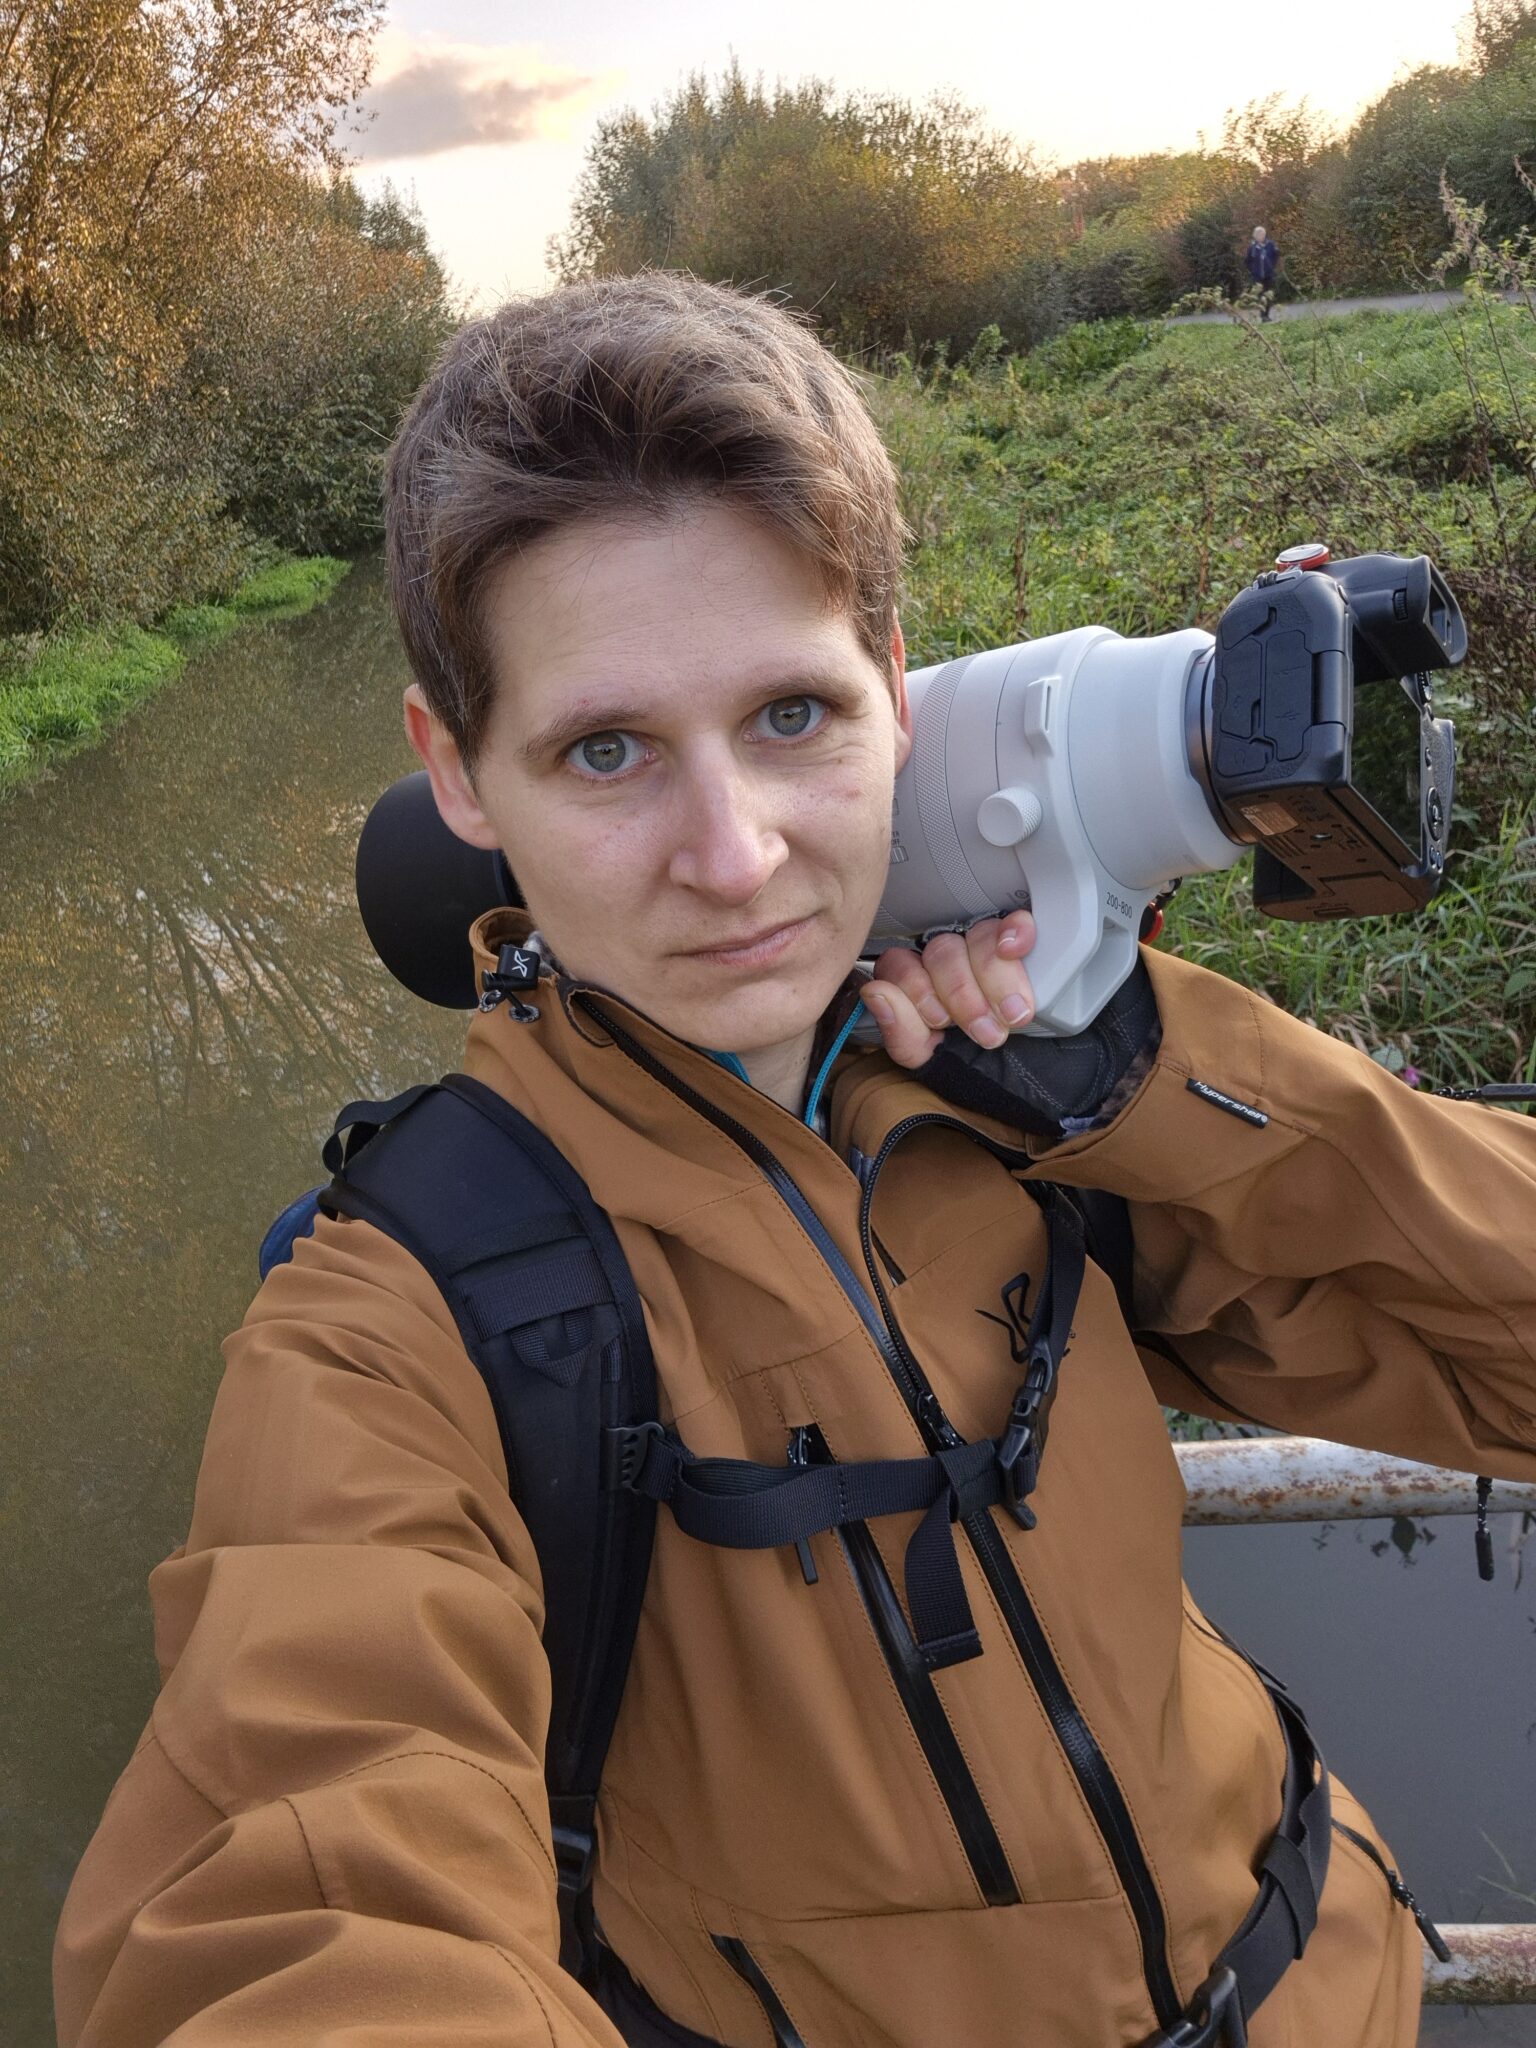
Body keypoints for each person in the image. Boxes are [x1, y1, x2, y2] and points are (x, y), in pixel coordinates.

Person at [54, 273, 1536, 2048]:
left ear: (897, 692)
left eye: (790, 717)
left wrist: (1152, 1065)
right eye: (606, 749)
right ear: (457, 771)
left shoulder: (1052, 1127)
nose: (736, 857)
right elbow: (295, 1911)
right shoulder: (395, 1329)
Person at [1245, 225, 1280, 319]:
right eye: (1259, 234)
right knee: (1261, 296)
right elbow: (1247, 261)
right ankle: (1262, 315)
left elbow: (1276, 255)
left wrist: (1271, 266)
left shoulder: (1270, 244)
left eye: (1263, 234)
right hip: (1258, 276)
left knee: (1268, 295)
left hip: (1269, 275)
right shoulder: (1252, 247)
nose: (1261, 236)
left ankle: (1267, 315)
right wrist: (1253, 270)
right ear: (1255, 236)